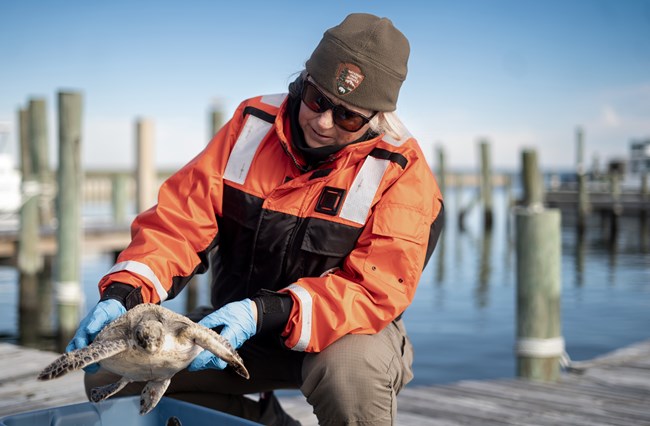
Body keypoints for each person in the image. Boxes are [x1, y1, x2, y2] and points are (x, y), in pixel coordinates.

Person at [69, 12, 444, 426]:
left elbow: (375, 290)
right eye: (317, 100)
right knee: (111, 372)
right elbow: (179, 224)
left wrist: (263, 312)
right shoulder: (251, 125)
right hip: (235, 331)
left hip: (344, 335)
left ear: (374, 118)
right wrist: (124, 293)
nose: (322, 122)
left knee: (350, 378)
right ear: (303, 81)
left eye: (347, 117)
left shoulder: (401, 170)